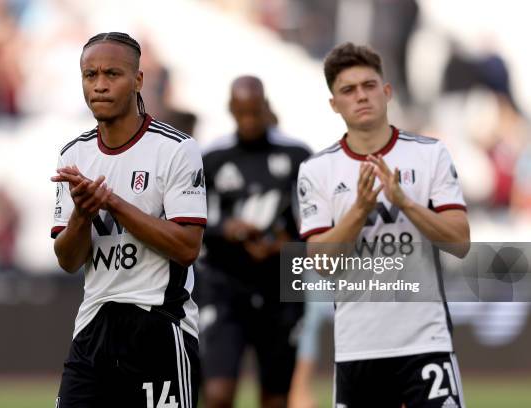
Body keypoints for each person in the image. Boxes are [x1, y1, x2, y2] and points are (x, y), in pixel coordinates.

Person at [297, 43, 470, 408]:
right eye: (348, 90)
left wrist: (404, 202)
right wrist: (360, 209)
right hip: (357, 347)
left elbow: (459, 241)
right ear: (334, 104)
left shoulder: (429, 154)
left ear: (386, 92)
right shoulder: (317, 170)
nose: (361, 96)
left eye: (368, 85)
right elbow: (322, 264)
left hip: (426, 342)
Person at [50, 32, 206, 408]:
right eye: (90, 75)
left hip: (159, 324)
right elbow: (69, 260)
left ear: (137, 80)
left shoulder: (176, 149)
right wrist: (82, 216)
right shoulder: (74, 154)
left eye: (112, 74)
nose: (99, 85)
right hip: (93, 327)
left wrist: (113, 204)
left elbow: (187, 248)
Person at [200, 75, 311, 408]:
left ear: (266, 108)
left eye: (254, 112)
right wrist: (227, 229)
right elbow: (189, 222)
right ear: (231, 110)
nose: (248, 121)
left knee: (276, 398)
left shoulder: (296, 156)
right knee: (218, 393)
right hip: (224, 284)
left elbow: (317, 225)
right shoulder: (213, 158)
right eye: (241, 113)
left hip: (281, 285)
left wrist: (285, 245)